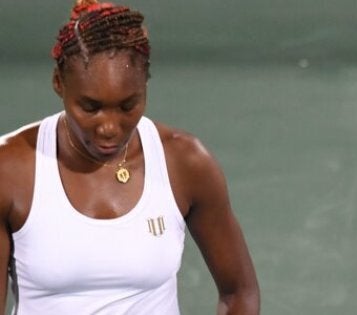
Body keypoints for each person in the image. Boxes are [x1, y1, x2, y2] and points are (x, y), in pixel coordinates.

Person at [0, 0, 260, 314]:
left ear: (145, 87)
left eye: (127, 106)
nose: (109, 128)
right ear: (59, 83)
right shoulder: (9, 170)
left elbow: (239, 293)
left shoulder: (186, 162)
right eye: (90, 107)